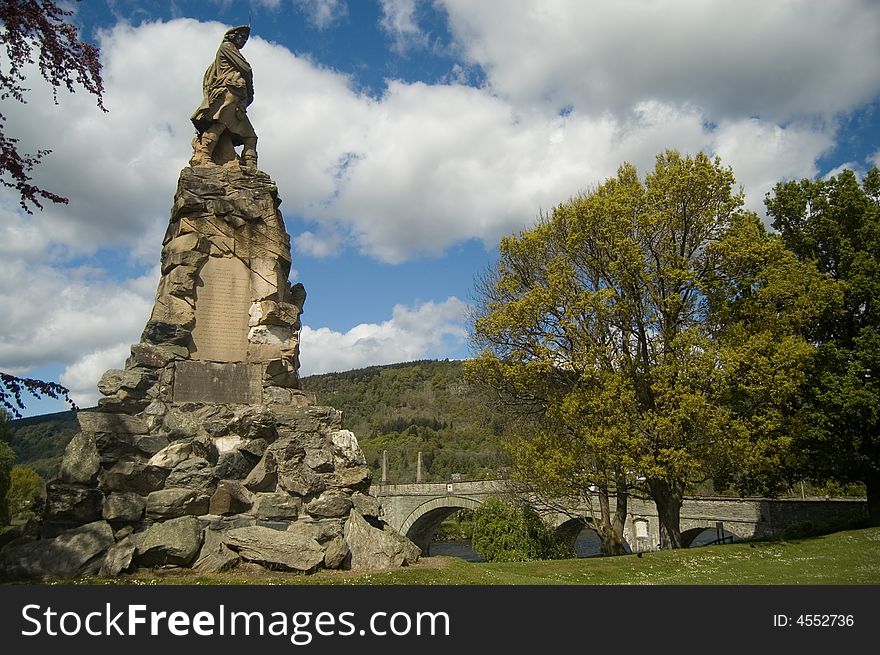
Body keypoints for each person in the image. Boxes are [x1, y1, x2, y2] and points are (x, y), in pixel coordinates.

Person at [190, 25, 258, 167]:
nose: (243, 40)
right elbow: (246, 68)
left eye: (245, 38)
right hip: (229, 93)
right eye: (241, 36)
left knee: (250, 136)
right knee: (221, 124)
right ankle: (204, 157)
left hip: (238, 98)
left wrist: (247, 96)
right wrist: (249, 91)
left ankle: (250, 167)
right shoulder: (227, 46)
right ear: (232, 36)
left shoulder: (231, 50)